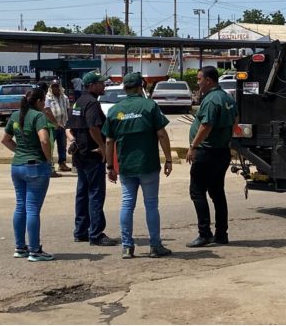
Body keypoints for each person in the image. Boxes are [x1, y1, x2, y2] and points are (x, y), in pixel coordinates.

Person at [102, 72, 174, 259]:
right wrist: (168, 159)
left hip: (126, 167)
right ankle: (155, 246)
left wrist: (110, 166)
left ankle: (127, 247)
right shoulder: (150, 106)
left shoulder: (114, 111)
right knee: (151, 205)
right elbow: (162, 134)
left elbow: (109, 142)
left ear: (125, 88)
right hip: (148, 165)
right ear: (141, 86)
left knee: (127, 204)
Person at [0, 88, 55, 262]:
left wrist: (21, 152)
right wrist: (48, 160)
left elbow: (5, 140)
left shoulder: (16, 116)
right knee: (32, 209)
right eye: (43, 101)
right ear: (38, 101)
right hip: (35, 167)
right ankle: (35, 250)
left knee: (20, 206)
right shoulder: (39, 117)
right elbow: (44, 140)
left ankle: (20, 247)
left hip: (17, 166)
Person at [185, 66, 237, 248]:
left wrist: (193, 147)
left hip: (207, 152)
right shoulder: (227, 97)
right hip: (222, 151)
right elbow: (235, 120)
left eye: (199, 79)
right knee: (217, 193)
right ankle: (221, 234)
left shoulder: (211, 100)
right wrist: (228, 140)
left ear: (208, 80)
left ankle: (204, 233)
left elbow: (205, 126)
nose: (198, 83)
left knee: (197, 192)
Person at [66, 70, 117, 246]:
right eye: (100, 83)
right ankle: (96, 233)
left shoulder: (79, 102)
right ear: (91, 86)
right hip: (93, 155)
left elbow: (69, 128)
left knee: (82, 194)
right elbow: (93, 127)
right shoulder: (93, 104)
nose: (104, 85)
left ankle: (80, 231)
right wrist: (103, 148)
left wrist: (73, 141)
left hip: (81, 154)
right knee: (95, 194)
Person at [44, 80, 71, 173]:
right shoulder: (47, 98)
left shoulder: (65, 97)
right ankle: (50, 165)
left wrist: (67, 122)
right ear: (51, 88)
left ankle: (62, 163)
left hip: (62, 125)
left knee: (62, 145)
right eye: (53, 86)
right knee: (50, 146)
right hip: (51, 126)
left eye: (57, 86)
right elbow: (47, 111)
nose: (55, 88)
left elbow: (68, 109)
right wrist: (55, 123)